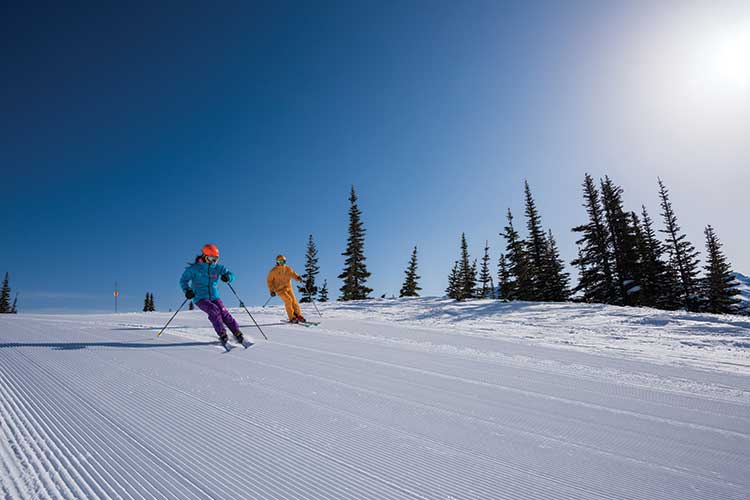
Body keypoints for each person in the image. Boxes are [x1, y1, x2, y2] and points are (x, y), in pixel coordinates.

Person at [180, 244, 245, 346]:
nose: (213, 261)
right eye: (211, 258)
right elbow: (183, 281)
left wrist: (228, 277)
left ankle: (236, 331)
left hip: (215, 296)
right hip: (200, 298)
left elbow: (231, 275)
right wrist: (187, 290)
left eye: (216, 259)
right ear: (204, 256)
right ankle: (222, 333)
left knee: (224, 312)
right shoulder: (194, 269)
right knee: (213, 310)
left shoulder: (218, 268)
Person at [267, 254, 306, 323]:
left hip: (288, 288)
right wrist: (271, 290)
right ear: (277, 262)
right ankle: (292, 317)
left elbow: (293, 274)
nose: (282, 263)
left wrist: (298, 278)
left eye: (283, 261)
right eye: (280, 262)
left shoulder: (288, 269)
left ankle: (298, 315)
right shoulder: (273, 271)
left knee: (294, 301)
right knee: (288, 300)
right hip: (279, 290)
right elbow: (269, 281)